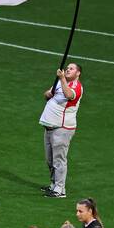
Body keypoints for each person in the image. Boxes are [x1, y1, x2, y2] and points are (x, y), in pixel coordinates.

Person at [38, 63, 83, 198]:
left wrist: (62, 78)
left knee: (59, 160)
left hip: (62, 128)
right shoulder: (59, 82)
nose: (68, 70)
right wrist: (49, 93)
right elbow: (47, 95)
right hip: (50, 126)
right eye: (67, 68)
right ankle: (53, 185)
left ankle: (60, 190)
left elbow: (69, 95)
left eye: (72, 68)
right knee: (50, 159)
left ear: (78, 73)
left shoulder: (76, 86)